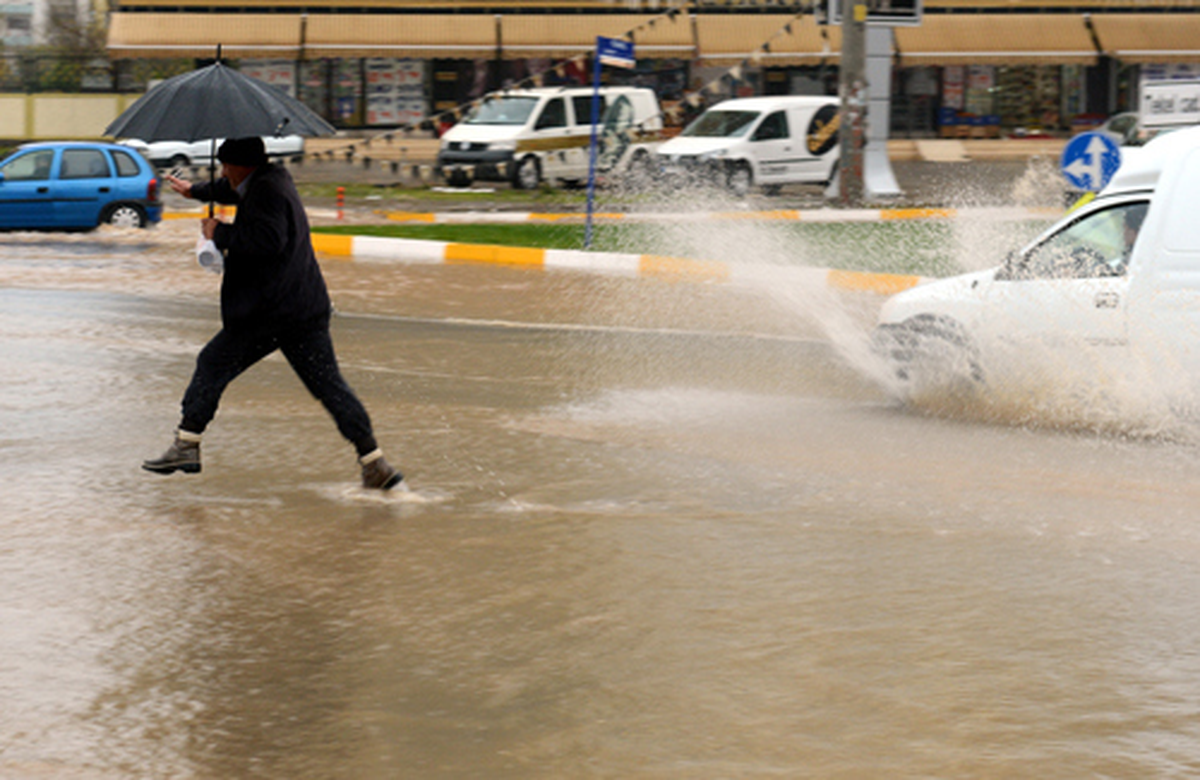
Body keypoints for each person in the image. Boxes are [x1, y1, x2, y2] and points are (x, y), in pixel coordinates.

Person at [143, 137, 404, 490]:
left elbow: (268, 241)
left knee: (212, 364)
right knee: (330, 387)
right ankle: (374, 462)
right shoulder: (270, 178)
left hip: (268, 312)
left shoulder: (265, 192)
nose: (223, 173)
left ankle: (186, 445)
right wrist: (196, 190)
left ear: (239, 166)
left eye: (225, 166)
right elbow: (230, 190)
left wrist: (219, 233)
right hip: (303, 307)